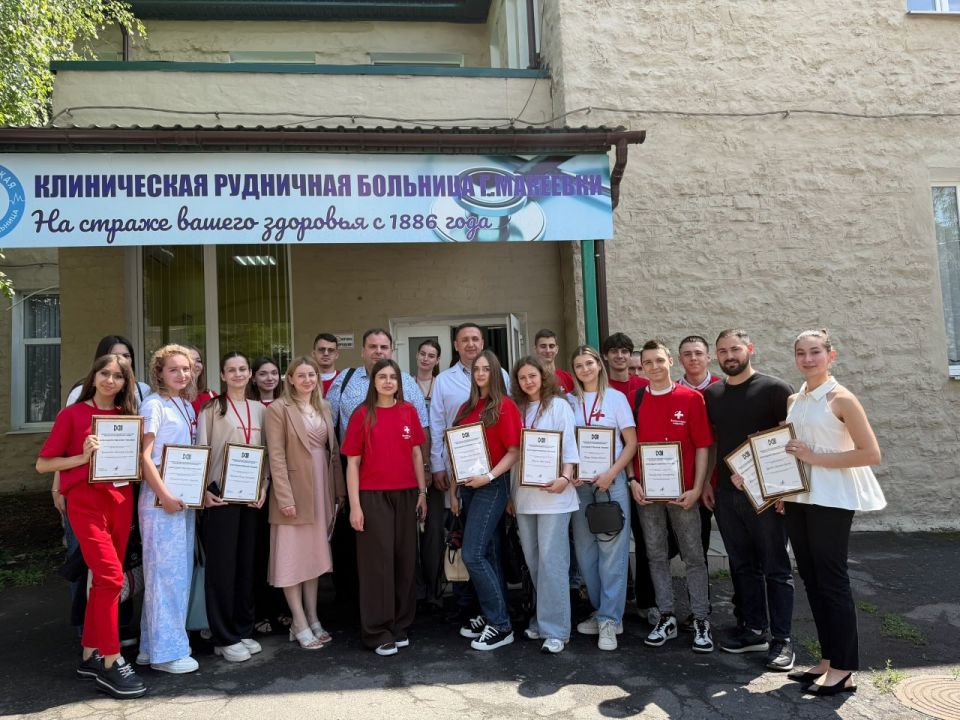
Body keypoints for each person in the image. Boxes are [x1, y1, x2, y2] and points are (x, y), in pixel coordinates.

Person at [36, 353, 146, 699]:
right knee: (112, 578)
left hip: (120, 502)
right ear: (94, 376)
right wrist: (82, 458)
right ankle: (112, 660)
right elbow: (43, 464)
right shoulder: (72, 414)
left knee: (103, 581)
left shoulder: (128, 417)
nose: (111, 380)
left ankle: (89, 654)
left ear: (126, 382)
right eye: (105, 373)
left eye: (118, 376)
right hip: (86, 505)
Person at [782, 329, 885, 696]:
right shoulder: (795, 399)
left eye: (815, 352)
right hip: (799, 498)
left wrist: (814, 457)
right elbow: (791, 450)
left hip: (832, 498)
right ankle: (828, 660)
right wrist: (781, 490)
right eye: (801, 353)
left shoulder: (843, 399)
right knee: (811, 578)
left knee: (832, 580)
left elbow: (870, 453)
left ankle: (844, 669)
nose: (808, 359)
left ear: (831, 355)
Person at [703, 329, 796, 670]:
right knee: (742, 565)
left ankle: (782, 640)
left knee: (775, 567)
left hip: (767, 495)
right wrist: (709, 482)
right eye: (723, 351)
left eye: (735, 349)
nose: (729, 356)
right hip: (728, 494)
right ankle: (754, 629)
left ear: (750, 349)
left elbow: (788, 441)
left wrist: (785, 490)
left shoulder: (776, 389)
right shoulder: (712, 394)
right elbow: (715, 443)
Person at [629, 340, 714, 653]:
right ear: (642, 367)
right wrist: (633, 480)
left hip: (683, 494)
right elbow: (629, 445)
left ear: (670, 362)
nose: (654, 367)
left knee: (694, 556)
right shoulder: (637, 398)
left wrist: (697, 487)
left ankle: (701, 618)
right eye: (647, 362)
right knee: (655, 555)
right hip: (648, 495)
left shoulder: (691, 398)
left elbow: (703, 445)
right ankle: (666, 616)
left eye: (659, 361)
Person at [342, 359, 428, 656]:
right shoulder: (362, 414)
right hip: (372, 496)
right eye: (382, 376)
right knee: (377, 565)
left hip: (406, 494)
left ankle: (401, 625)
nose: (388, 381)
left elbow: (416, 454)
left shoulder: (408, 411)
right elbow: (352, 464)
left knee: (405, 560)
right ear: (374, 381)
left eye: (393, 377)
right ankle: (378, 632)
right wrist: (355, 506)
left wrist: (422, 492)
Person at [428, 323, 509, 627]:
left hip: (493, 477)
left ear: (482, 342)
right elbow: (438, 425)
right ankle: (470, 609)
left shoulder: (502, 379)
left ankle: (496, 614)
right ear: (456, 345)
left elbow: (511, 436)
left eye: (475, 339)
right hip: (459, 477)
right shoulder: (445, 383)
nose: (471, 344)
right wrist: (439, 467)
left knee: (489, 547)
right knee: (463, 540)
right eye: (465, 340)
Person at [264, 357, 345, 650]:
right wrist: (285, 497)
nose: (308, 380)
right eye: (301, 375)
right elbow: (276, 456)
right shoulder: (278, 409)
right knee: (291, 557)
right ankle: (297, 621)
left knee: (313, 557)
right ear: (290, 379)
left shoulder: (324, 407)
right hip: (294, 492)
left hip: (321, 489)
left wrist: (338, 491)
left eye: (311, 375)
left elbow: (332, 452)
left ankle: (312, 616)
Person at [197, 352, 268, 663]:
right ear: (223, 375)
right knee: (222, 568)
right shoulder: (212, 409)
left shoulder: (260, 409)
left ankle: (242, 628)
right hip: (221, 495)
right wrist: (202, 492)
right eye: (231, 370)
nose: (238, 374)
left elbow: (268, 454)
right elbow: (201, 449)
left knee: (246, 564)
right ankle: (223, 636)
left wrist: (264, 487)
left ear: (250, 373)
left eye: (243, 369)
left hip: (251, 495)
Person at [449, 350, 521, 651]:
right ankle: (494, 614)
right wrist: (454, 489)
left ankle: (501, 626)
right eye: (476, 369)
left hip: (491, 486)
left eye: (486, 369)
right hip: (468, 487)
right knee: (488, 553)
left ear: (495, 372)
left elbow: (514, 451)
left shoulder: (504, 405)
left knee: (473, 554)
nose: (480, 373)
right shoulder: (466, 408)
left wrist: (489, 477)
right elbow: (456, 450)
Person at [568, 345, 637, 651]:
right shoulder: (569, 401)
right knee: (585, 553)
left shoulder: (616, 398)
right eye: (579, 365)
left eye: (589, 363)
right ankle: (602, 610)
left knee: (612, 551)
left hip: (611, 483)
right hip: (580, 486)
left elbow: (631, 443)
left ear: (599, 365)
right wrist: (571, 472)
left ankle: (610, 619)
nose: (585, 369)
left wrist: (611, 473)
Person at [137, 344, 200, 674]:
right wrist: (165, 495)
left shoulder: (185, 405)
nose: (181, 374)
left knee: (176, 573)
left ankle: (150, 646)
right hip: (160, 500)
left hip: (182, 498)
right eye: (173, 369)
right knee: (165, 576)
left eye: (185, 368)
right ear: (159, 372)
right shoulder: (154, 404)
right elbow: (144, 457)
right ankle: (168, 653)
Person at [510, 356, 579, 654]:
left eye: (532, 376)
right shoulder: (517, 409)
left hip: (555, 495)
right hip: (524, 497)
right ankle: (543, 618)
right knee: (535, 561)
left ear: (542, 377)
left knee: (553, 562)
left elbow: (569, 446)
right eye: (522, 377)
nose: (528, 381)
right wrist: (510, 495)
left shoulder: (559, 406)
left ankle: (556, 629)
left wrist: (565, 476)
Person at [413, 339, 445, 612]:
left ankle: (434, 591)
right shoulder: (405, 385)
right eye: (422, 354)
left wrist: (435, 465)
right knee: (409, 534)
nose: (425, 358)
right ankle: (414, 589)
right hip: (410, 467)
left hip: (437, 467)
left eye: (431, 355)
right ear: (416, 356)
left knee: (433, 532)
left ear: (437, 360)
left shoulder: (442, 385)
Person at [65, 335, 152, 407]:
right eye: (114, 356)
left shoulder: (142, 390)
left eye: (126, 356)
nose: (121, 360)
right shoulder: (79, 392)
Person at [600, 332, 649, 397]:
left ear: (630, 355)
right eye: (614, 351)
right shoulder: (599, 387)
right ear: (605, 356)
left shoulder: (646, 386)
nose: (619, 356)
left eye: (624, 351)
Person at [533, 329, 575, 393]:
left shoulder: (569, 378)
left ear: (556, 349)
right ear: (535, 349)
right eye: (543, 346)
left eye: (551, 346)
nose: (548, 350)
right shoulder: (531, 380)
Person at [187, 345, 217, 415]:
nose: (196, 364)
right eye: (190, 360)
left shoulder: (211, 395)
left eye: (198, 361)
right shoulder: (173, 396)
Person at [312, 333, 341, 397]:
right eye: (321, 349)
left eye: (331, 350)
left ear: (336, 355)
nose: (326, 353)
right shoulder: (307, 380)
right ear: (314, 354)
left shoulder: (344, 380)